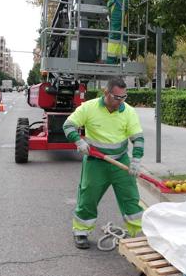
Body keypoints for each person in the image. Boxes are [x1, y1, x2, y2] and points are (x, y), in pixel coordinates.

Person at [63, 77, 145, 249]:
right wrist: (79, 142)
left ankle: (138, 233)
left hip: (121, 160)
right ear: (106, 93)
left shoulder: (128, 111)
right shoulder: (89, 108)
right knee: (88, 198)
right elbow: (68, 125)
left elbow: (137, 138)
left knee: (130, 198)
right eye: (117, 97)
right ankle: (81, 232)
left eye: (124, 97)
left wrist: (136, 160)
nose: (120, 101)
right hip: (96, 162)